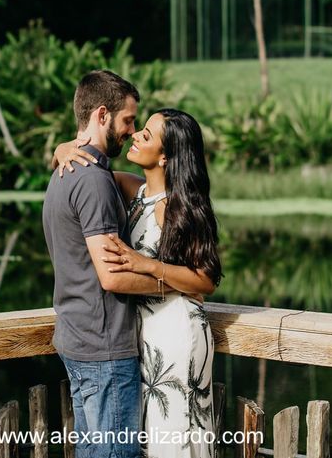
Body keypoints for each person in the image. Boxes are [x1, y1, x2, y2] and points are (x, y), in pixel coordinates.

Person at [54, 108, 222, 458]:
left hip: (176, 332)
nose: (135, 136)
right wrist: (62, 149)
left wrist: (148, 265)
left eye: (147, 135)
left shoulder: (180, 206)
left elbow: (206, 279)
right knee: (153, 436)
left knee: (178, 431)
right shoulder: (136, 191)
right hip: (146, 332)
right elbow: (94, 170)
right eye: (139, 129)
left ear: (165, 156)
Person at [42, 69, 158, 458]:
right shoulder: (90, 180)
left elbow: (145, 187)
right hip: (104, 349)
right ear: (103, 114)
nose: (131, 129)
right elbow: (111, 277)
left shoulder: (67, 170)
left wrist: (61, 147)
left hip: (79, 340)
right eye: (128, 120)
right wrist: (174, 283)